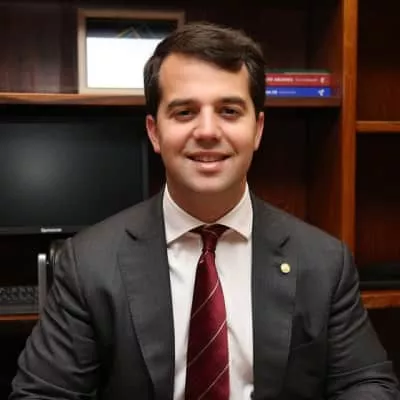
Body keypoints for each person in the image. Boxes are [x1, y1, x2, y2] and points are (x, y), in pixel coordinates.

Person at [9, 21, 400, 400]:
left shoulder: (323, 262)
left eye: (229, 111)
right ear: (154, 132)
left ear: (258, 129)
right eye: (184, 112)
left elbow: (368, 384)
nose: (208, 131)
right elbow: (42, 394)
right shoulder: (88, 264)